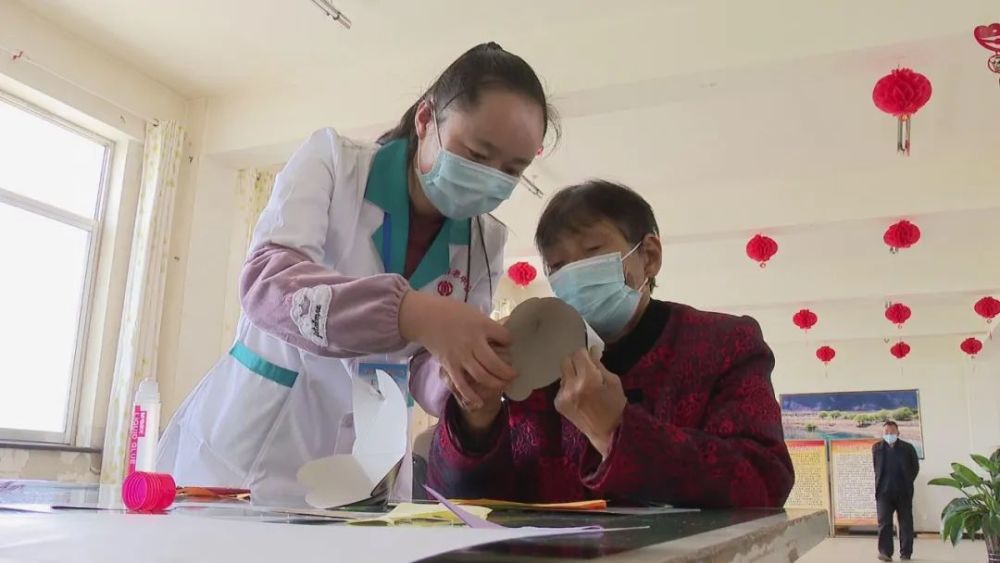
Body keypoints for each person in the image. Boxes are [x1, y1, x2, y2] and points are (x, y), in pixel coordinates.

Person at [157, 42, 557, 506]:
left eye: (512, 170)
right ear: (426, 120)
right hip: (257, 447)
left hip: (371, 461)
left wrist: (463, 381)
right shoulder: (334, 163)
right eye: (478, 154)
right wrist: (412, 313)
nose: (491, 178)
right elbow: (267, 284)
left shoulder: (485, 241)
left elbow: (430, 365)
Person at [428, 180, 794, 507]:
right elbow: (464, 501)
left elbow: (766, 480)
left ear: (649, 256)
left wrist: (616, 432)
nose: (573, 276)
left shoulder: (724, 344)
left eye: (592, 252)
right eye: (557, 266)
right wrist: (476, 417)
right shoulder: (532, 360)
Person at [873, 420, 920, 561]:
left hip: (903, 492)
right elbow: (876, 468)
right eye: (886, 432)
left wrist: (907, 482)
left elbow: (915, 468)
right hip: (883, 493)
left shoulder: (908, 448)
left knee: (905, 523)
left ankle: (906, 553)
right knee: (884, 523)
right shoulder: (877, 448)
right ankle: (885, 552)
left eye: (891, 432)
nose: (889, 434)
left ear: (898, 433)